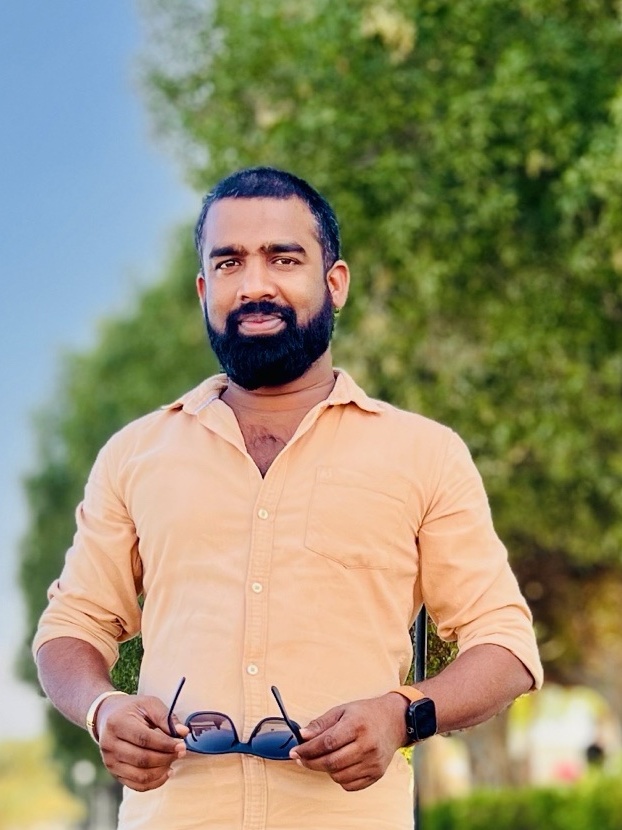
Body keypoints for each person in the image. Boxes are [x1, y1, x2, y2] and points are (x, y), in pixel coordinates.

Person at [34, 166, 543, 830]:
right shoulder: (134, 455)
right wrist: (103, 709)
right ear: (204, 289)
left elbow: (505, 645)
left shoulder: (425, 454)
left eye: (283, 258)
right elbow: (71, 628)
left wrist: (402, 714)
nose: (254, 285)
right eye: (229, 262)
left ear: (335, 283)